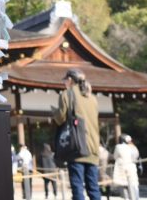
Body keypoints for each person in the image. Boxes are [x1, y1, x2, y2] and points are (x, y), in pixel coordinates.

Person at [52, 69, 101, 200]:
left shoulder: (67, 94)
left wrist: (54, 113)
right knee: (94, 187)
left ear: (70, 80)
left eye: (65, 80)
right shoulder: (92, 97)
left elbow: (60, 118)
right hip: (93, 148)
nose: (64, 83)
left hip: (77, 147)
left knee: (77, 186)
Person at [113, 135, 140, 200]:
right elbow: (136, 156)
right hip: (132, 168)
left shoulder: (118, 147)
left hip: (122, 168)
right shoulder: (133, 147)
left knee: (124, 185)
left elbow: (115, 156)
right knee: (133, 185)